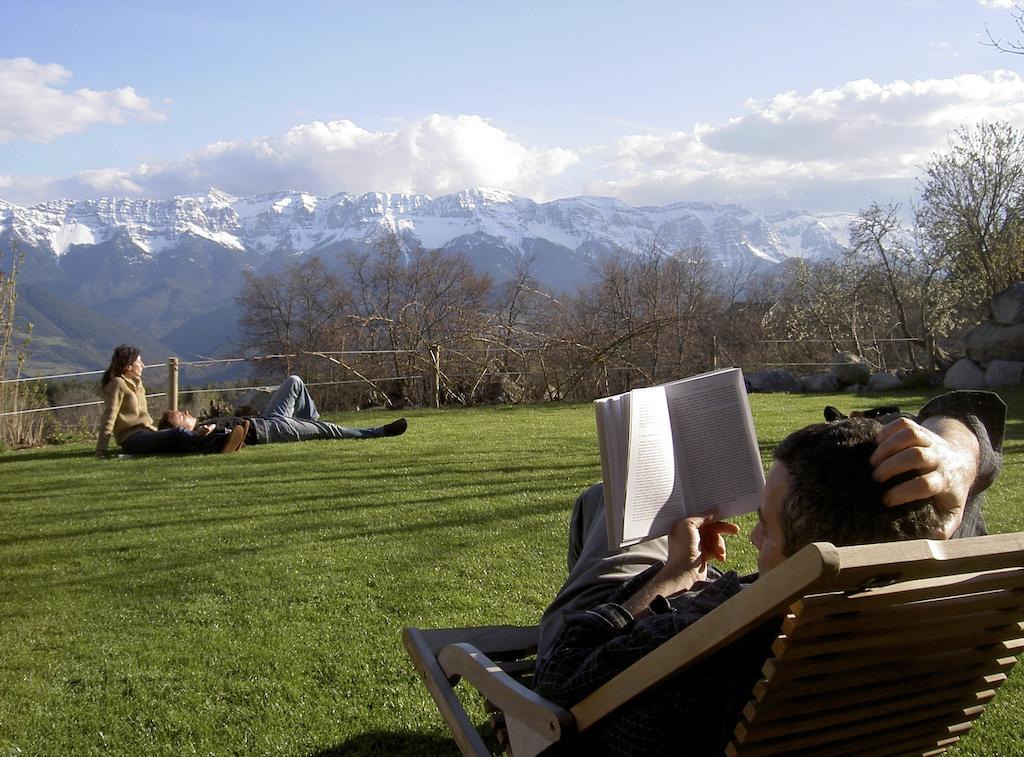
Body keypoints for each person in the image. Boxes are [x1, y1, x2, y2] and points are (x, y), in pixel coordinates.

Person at [531, 390, 1004, 755]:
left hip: (612, 640)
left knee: (602, 502)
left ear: (809, 561)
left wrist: (673, 576)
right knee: (604, 504)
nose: (753, 539)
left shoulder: (719, 642)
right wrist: (959, 455)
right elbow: (965, 414)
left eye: (766, 526)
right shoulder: (927, 588)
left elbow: (559, 679)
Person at [158, 374, 408, 445]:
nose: (187, 413)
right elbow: (223, 436)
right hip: (271, 429)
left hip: (268, 419)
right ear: (177, 428)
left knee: (294, 381)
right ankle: (378, 432)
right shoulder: (201, 433)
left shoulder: (201, 427)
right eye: (182, 415)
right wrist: (210, 429)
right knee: (330, 430)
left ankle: (313, 425)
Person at [95, 345, 248, 458]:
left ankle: (226, 439)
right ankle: (223, 442)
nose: (143, 365)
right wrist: (102, 448)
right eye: (139, 362)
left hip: (146, 433)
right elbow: (110, 416)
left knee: (180, 437)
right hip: (132, 440)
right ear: (129, 366)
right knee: (179, 433)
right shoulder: (117, 384)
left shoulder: (138, 384)